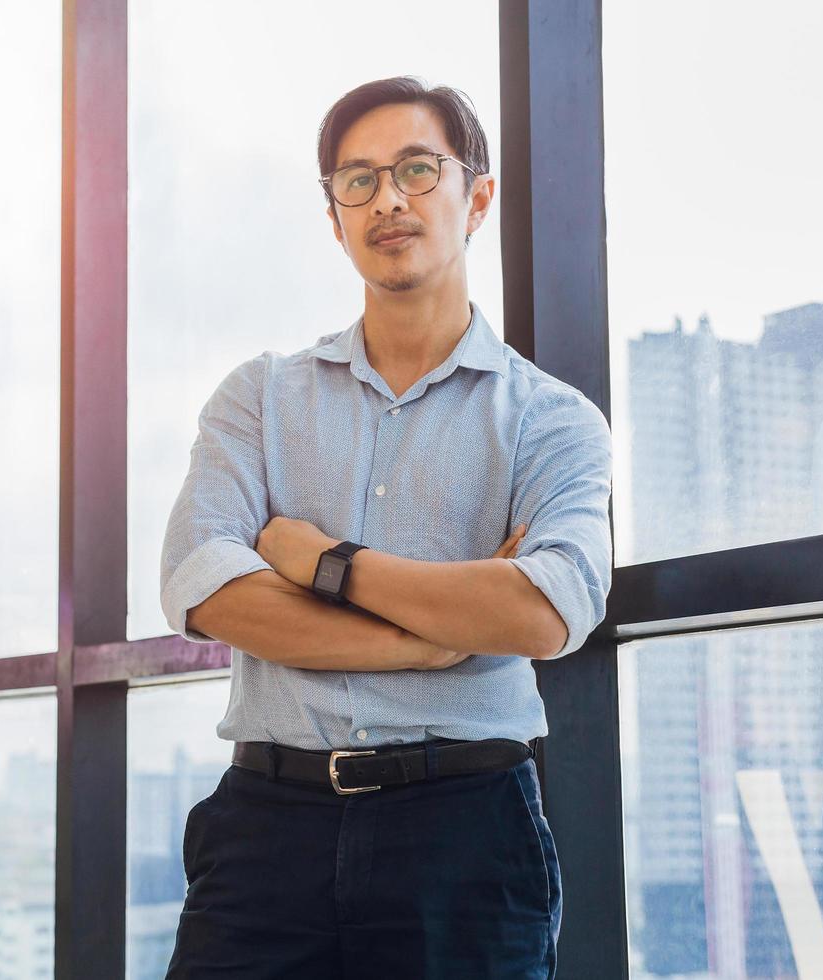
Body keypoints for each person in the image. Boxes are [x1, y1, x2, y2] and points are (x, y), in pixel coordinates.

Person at [157, 75, 613, 978]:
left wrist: (325, 562)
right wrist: (429, 641)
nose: (388, 199)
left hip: (465, 836)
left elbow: (546, 613)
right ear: (334, 217)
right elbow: (204, 590)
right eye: (356, 181)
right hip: (265, 829)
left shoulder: (552, 421)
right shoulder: (260, 398)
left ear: (476, 196)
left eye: (415, 168)